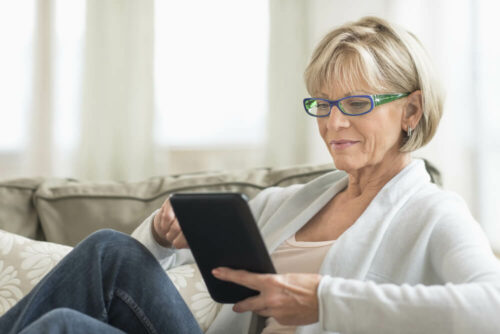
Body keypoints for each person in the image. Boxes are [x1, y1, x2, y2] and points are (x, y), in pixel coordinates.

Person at [2, 15, 500, 334]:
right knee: (111, 250)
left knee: (64, 327)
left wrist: (325, 300)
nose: (334, 122)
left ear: (410, 111)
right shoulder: (289, 202)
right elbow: (157, 275)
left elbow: (491, 307)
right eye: (322, 105)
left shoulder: (433, 212)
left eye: (356, 103)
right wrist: (160, 234)